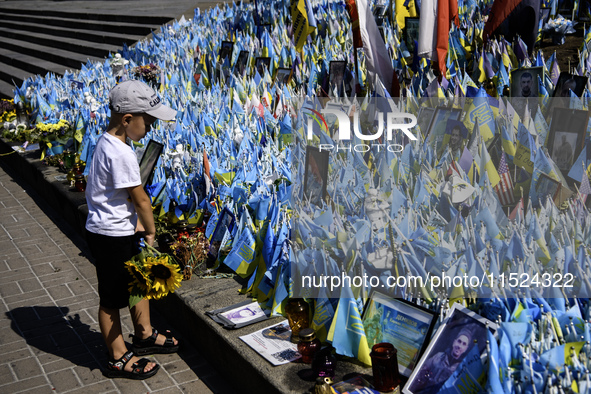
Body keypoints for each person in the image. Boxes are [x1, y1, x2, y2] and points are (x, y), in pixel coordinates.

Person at [85, 80, 179, 380]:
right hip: (110, 236)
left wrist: (133, 222)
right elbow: (140, 199)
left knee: (139, 282)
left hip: (119, 227)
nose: (150, 128)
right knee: (112, 298)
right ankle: (116, 355)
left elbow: (114, 193)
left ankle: (144, 334)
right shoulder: (122, 153)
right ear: (127, 120)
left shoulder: (109, 141)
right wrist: (150, 230)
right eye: (148, 122)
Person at [409, 327, 474, 394]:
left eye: (464, 344)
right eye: (459, 341)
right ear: (454, 342)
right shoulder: (439, 356)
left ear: (466, 349)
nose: (460, 346)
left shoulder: (462, 369)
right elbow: (420, 372)